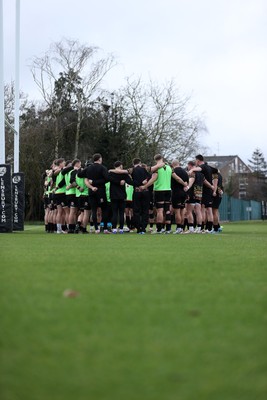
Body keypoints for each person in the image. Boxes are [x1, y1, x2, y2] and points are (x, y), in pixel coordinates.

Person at [77, 153, 109, 233]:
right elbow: (107, 179)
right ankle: (105, 229)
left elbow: (79, 175)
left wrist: (80, 170)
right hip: (100, 190)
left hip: (91, 191)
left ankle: (96, 229)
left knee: (94, 210)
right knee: (104, 210)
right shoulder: (103, 168)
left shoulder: (88, 168)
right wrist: (96, 182)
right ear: (100, 159)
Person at [189, 155, 217, 233]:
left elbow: (199, 168)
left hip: (205, 191)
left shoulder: (203, 166)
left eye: (195, 160)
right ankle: (206, 228)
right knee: (207, 209)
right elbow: (217, 171)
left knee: (205, 209)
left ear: (198, 160)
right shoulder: (209, 167)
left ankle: (207, 228)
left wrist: (192, 170)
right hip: (209, 190)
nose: (195, 162)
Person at [108, 161, 133, 233]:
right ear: (120, 166)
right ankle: (121, 228)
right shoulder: (124, 174)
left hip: (113, 195)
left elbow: (108, 178)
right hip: (122, 195)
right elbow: (130, 182)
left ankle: (114, 228)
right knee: (122, 213)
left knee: (114, 212)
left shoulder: (111, 173)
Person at [184, 161, 204, 233]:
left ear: (190, 165)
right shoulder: (201, 174)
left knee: (189, 211)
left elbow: (191, 180)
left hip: (192, 193)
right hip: (199, 193)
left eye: (188, 166)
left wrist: (188, 187)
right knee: (198, 211)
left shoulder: (192, 172)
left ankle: (191, 228)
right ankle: (199, 228)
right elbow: (205, 182)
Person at [171, 160, 189, 234]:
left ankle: (178, 228)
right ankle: (181, 228)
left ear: (172, 165)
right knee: (182, 211)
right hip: (183, 193)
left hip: (176, 193)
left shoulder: (172, 172)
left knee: (177, 211)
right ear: (179, 163)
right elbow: (187, 183)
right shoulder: (185, 172)